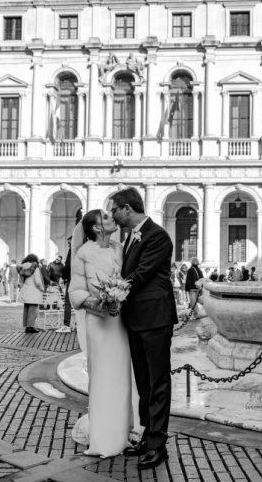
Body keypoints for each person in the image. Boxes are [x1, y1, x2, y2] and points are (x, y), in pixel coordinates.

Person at [111, 186, 175, 470]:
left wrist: (115, 290)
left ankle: (158, 445)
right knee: (144, 382)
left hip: (155, 318)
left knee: (158, 382)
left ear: (127, 208)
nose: (113, 215)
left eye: (115, 209)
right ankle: (148, 436)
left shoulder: (158, 235)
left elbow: (143, 273)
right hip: (136, 318)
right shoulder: (129, 238)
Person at [68, 208, 134, 458]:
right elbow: (76, 292)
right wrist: (102, 303)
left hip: (120, 325)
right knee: (103, 378)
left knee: (122, 378)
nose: (112, 219)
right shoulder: (84, 253)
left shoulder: (120, 247)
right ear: (96, 228)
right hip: (99, 324)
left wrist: (120, 296)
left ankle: (121, 433)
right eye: (105, 217)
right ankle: (103, 437)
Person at [19, 254, 45, 333]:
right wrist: (42, 288)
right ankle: (31, 327)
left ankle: (27, 327)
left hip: (26, 290)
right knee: (33, 309)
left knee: (26, 309)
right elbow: (37, 281)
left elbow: (21, 281)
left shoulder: (22, 268)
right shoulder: (35, 268)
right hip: (34, 291)